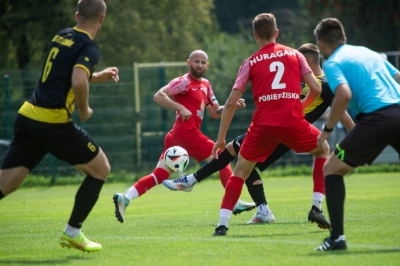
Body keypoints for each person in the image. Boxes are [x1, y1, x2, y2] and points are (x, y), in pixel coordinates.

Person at [163, 43, 355, 228]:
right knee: (240, 157)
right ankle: (263, 209)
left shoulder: (323, 85)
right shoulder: (301, 81)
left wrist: (356, 137)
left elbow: (342, 112)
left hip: (285, 131)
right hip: (275, 128)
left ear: (308, 61)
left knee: (236, 154)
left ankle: (193, 182)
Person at [0, 0, 118, 252]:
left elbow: (63, 74)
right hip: (51, 122)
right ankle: (73, 232)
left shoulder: (62, 35)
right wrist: (84, 109)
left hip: (28, 116)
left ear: (77, 16)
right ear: (102, 19)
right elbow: (77, 80)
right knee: (101, 169)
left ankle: (73, 232)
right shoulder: (90, 47)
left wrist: (97, 76)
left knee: (5, 185)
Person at [208, 13, 332, 237]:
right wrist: (298, 108)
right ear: (276, 33)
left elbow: (231, 103)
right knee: (323, 149)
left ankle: (222, 224)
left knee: (241, 170)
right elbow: (316, 89)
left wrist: (220, 139)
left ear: (255, 36)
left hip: (263, 125)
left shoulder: (249, 62)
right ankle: (316, 208)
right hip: (293, 121)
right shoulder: (296, 55)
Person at [112, 50, 252, 223]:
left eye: (203, 62)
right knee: (221, 158)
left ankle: (125, 198)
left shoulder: (206, 84)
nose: (199, 65)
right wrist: (180, 107)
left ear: (207, 65)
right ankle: (234, 201)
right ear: (188, 63)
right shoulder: (183, 82)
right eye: (196, 62)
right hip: (186, 132)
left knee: (159, 175)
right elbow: (158, 96)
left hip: (178, 137)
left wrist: (232, 106)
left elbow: (216, 112)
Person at [314, 18, 400, 251]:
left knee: (331, 169)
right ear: (344, 38)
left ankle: (337, 239)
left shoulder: (333, 63)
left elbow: (343, 95)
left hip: (377, 118)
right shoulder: (368, 52)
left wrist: (327, 131)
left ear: (321, 45)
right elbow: (398, 77)